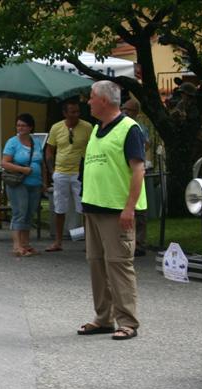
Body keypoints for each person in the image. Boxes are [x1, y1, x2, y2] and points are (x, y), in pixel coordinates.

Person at [77, 80, 146, 341]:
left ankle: (127, 322)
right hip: (94, 208)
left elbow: (138, 169)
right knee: (96, 264)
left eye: (92, 97)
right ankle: (103, 318)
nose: (88, 101)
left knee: (118, 265)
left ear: (104, 100)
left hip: (116, 210)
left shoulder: (129, 129)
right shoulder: (97, 129)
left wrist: (129, 208)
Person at [45, 100, 92, 252]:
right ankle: (58, 241)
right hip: (61, 172)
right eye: (72, 112)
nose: (75, 115)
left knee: (84, 208)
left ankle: (89, 243)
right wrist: (52, 171)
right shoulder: (56, 127)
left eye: (77, 112)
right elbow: (49, 150)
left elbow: (93, 147)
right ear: (65, 113)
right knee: (59, 207)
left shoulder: (87, 127)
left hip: (80, 173)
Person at [2, 113, 45, 257]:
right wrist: (22, 169)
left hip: (35, 182)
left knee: (29, 213)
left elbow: (41, 162)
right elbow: (5, 163)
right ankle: (17, 245)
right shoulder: (12, 142)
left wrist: (44, 181)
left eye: (23, 125)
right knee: (19, 212)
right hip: (19, 182)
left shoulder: (36, 142)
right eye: (18, 125)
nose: (20, 128)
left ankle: (26, 244)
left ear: (30, 127)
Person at [121, 99, 151, 257]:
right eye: (124, 108)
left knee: (139, 210)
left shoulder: (139, 128)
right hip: (123, 173)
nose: (126, 112)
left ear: (136, 113)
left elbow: (146, 145)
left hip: (137, 169)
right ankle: (127, 242)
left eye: (130, 110)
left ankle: (139, 243)